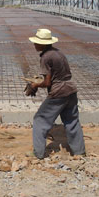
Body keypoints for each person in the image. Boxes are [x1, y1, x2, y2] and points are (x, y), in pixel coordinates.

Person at [26, 28, 86, 159]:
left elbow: (48, 83)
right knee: (72, 121)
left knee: (40, 120)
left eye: (36, 42)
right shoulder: (58, 53)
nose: (34, 45)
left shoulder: (46, 57)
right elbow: (58, 75)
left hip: (58, 92)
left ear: (43, 44)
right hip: (70, 89)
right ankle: (79, 152)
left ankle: (38, 153)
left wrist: (36, 84)